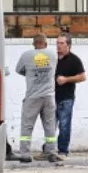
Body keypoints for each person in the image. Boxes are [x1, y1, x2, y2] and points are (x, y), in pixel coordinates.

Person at [14, 33, 63, 163]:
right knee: (50, 126)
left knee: (27, 126)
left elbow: (18, 70)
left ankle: (25, 154)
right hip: (49, 97)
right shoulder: (53, 55)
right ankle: (52, 152)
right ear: (45, 43)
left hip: (32, 97)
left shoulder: (26, 55)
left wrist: (31, 73)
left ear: (33, 44)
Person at [54, 35, 86, 156]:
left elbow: (82, 77)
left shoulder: (74, 60)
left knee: (64, 125)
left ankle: (62, 150)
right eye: (57, 43)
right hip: (50, 97)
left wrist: (66, 79)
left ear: (69, 45)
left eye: (62, 43)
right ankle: (48, 150)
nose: (58, 45)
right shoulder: (52, 58)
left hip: (66, 98)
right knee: (50, 126)